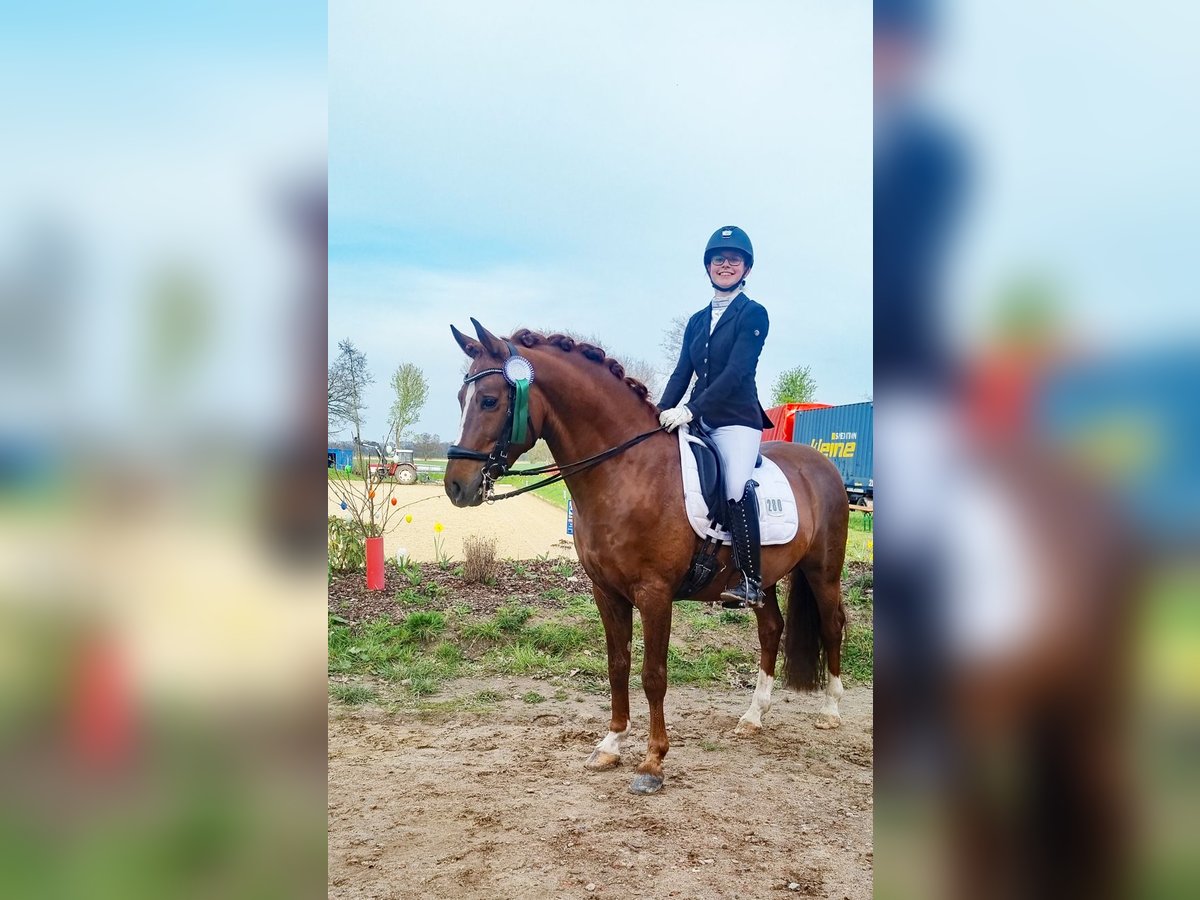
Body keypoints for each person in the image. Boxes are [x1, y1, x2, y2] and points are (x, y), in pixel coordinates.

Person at [658, 225, 774, 608]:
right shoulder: (696, 320)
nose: (726, 265)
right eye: (718, 260)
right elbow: (681, 374)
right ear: (708, 267)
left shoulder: (753, 314)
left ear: (746, 269)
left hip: (737, 420)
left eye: (733, 260)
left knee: (735, 486)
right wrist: (657, 414)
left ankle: (751, 580)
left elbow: (735, 373)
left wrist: (691, 409)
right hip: (698, 418)